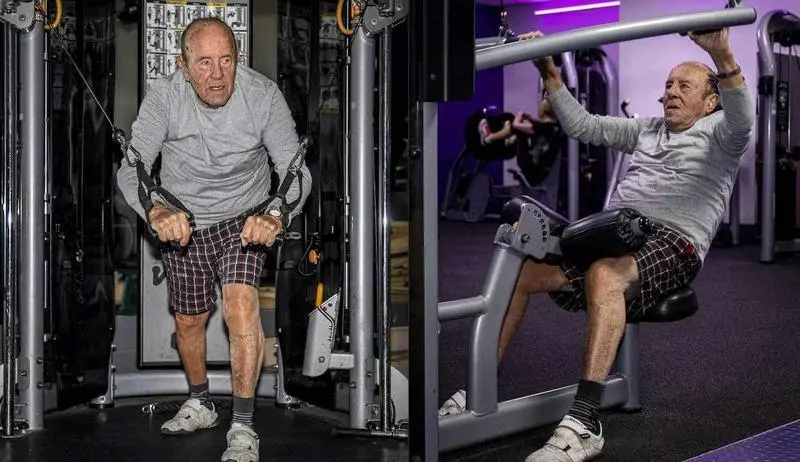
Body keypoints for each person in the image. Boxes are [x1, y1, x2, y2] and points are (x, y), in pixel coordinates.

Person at [439, 27, 754, 462]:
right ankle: (476, 390)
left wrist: (722, 54)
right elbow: (583, 126)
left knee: (606, 274)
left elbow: (744, 116)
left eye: (685, 86)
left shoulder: (722, 134)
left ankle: (585, 422)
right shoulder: (647, 129)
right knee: (522, 273)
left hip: (673, 241)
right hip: (617, 232)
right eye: (668, 85)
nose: (672, 93)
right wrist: (550, 73)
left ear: (710, 101)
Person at [116, 17, 311, 462]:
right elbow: (133, 166)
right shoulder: (165, 97)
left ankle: (242, 425)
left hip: (246, 217)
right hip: (184, 219)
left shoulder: (262, 97)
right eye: (204, 63)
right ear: (183, 67)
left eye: (226, 60)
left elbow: (296, 171)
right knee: (189, 320)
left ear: (238, 57)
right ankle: (201, 401)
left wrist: (275, 213)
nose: (217, 75)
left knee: (241, 303)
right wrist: (156, 210)